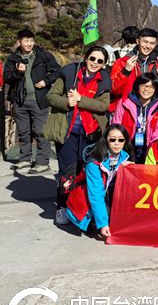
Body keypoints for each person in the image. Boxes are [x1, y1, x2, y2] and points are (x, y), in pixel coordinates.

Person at [43, 46, 111, 222]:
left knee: (85, 171)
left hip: (91, 133)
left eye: (100, 61)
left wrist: (81, 99)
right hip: (68, 131)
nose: (95, 63)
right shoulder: (69, 74)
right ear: (86, 58)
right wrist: (67, 102)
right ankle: (63, 207)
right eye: (92, 58)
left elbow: (103, 106)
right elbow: (51, 96)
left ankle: (80, 209)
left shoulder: (104, 80)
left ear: (104, 64)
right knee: (67, 171)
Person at [3, 28, 60, 173]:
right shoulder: (13, 58)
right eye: (26, 41)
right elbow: (7, 77)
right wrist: (18, 72)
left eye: (31, 40)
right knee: (23, 132)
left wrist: (46, 81)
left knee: (41, 132)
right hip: (20, 101)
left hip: (39, 100)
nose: (29, 44)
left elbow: (57, 71)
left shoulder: (43, 55)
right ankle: (24, 159)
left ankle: (42, 162)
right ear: (19, 42)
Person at [64, 124, 133, 240]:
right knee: (99, 225)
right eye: (112, 139)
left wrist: (122, 168)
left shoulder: (124, 157)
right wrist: (103, 224)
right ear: (106, 140)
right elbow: (96, 195)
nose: (117, 143)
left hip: (105, 195)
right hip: (88, 200)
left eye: (121, 140)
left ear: (125, 141)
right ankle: (68, 212)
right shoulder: (93, 164)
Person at [111, 73, 158, 163]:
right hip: (126, 147)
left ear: (155, 89)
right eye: (143, 85)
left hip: (148, 148)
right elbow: (115, 125)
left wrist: (151, 150)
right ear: (137, 86)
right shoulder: (124, 102)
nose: (146, 89)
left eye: (151, 87)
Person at [109, 28, 158, 111]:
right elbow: (114, 90)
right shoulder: (122, 62)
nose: (148, 46)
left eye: (152, 43)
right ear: (137, 41)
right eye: (145, 42)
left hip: (149, 111)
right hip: (125, 109)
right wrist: (125, 71)